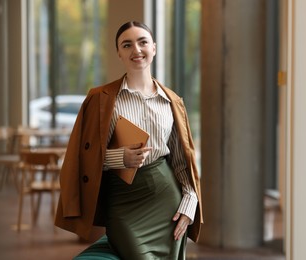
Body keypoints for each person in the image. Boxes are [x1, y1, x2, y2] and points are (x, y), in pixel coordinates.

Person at [55, 21, 203, 259]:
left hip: (167, 201)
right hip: (123, 204)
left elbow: (181, 161)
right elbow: (79, 158)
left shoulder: (173, 102)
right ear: (119, 53)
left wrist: (189, 204)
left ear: (153, 48)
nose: (136, 49)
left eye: (143, 42)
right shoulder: (99, 99)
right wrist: (118, 158)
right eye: (127, 44)